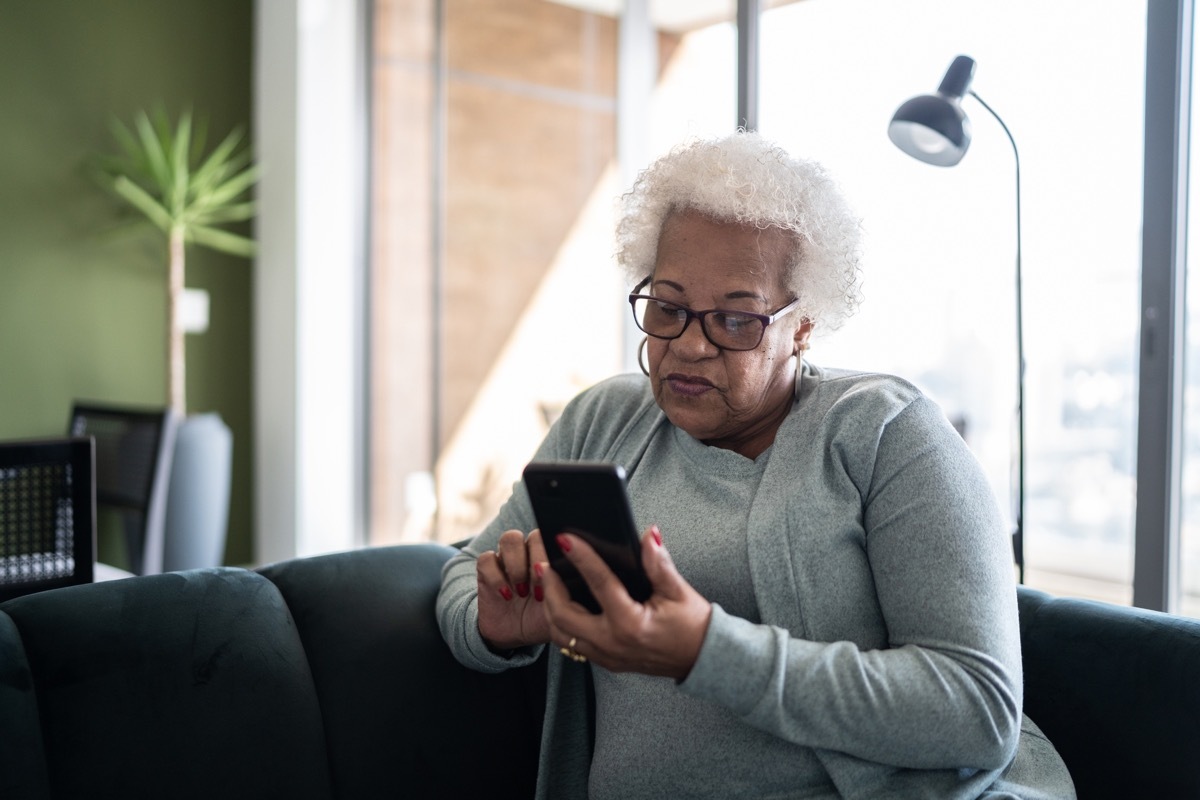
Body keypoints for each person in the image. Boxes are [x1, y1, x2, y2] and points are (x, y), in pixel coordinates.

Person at [436, 130, 1074, 799]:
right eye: (668, 306)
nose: (687, 346)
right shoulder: (602, 421)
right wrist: (498, 626)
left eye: (736, 321)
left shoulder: (886, 432)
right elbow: (459, 581)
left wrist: (706, 651)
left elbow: (977, 711)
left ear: (803, 325)